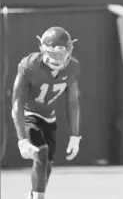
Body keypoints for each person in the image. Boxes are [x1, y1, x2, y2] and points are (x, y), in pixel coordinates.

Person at [11, 26, 82, 199]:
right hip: (29, 114)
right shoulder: (30, 65)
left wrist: (75, 135)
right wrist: (21, 139)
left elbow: (72, 102)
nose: (56, 60)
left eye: (61, 55)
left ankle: (33, 195)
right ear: (42, 49)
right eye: (52, 54)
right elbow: (17, 102)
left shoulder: (72, 68)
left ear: (69, 52)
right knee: (41, 153)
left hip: (49, 118)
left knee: (47, 164)